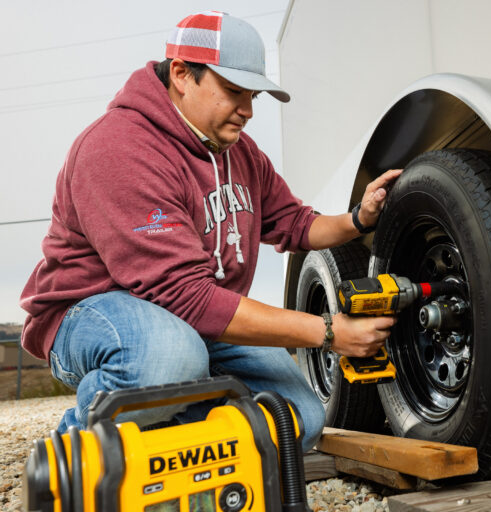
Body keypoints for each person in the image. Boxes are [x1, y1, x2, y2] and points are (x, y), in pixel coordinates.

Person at [19, 11, 401, 452]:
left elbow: (293, 224)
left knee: (299, 417)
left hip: (194, 323)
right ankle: (73, 454)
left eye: (253, 94)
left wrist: (359, 219)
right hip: (91, 315)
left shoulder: (237, 151)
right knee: (169, 358)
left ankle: (165, 446)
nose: (248, 110)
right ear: (182, 74)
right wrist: (328, 331)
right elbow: (186, 296)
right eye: (234, 91)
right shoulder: (119, 149)